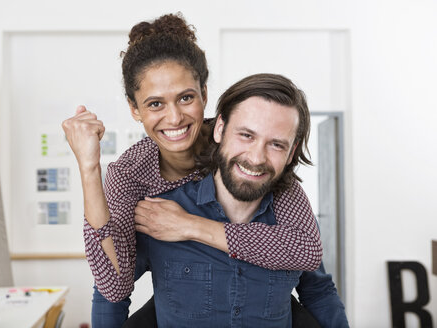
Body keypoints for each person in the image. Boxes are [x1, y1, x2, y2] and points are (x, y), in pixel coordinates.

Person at [61, 13, 322, 325]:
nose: (174, 119)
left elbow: (306, 250)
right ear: (134, 109)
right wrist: (89, 166)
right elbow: (113, 286)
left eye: (185, 98)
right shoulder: (130, 173)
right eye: (155, 104)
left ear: (205, 95)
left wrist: (188, 226)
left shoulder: (244, 151)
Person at [118, 73, 349, 327]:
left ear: (291, 152)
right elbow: (113, 293)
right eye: (246, 135)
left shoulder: (293, 223)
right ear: (219, 128)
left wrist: (191, 227)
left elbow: (318, 292)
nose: (256, 158)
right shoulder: (160, 213)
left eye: (276, 145)